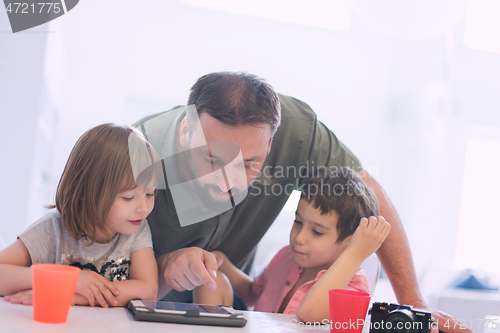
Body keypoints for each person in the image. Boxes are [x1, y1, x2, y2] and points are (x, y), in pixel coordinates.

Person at [134, 71, 469, 332]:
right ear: (184, 133)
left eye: (250, 164)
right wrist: (163, 267)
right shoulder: (133, 154)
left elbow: (368, 196)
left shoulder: (296, 131)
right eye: (212, 160)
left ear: (271, 143)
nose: (228, 182)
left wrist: (412, 304)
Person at [195, 168, 391, 323]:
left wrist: (354, 254)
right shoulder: (286, 256)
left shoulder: (353, 287)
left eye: (317, 232)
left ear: (349, 244)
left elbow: (309, 313)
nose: (300, 237)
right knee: (213, 281)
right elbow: (253, 293)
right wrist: (222, 262)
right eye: (298, 222)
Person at [0, 124, 160, 308]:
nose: (143, 208)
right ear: (85, 191)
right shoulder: (53, 229)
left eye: (150, 194)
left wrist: (74, 296)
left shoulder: (137, 230)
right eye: (128, 197)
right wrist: (66, 280)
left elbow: (148, 290)